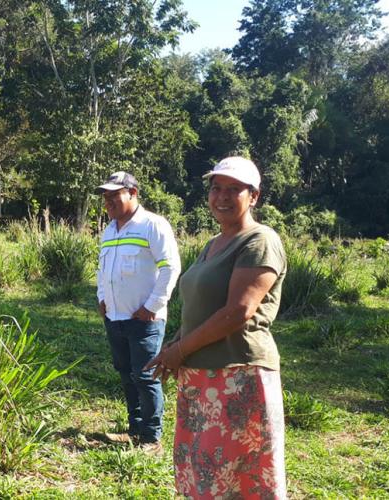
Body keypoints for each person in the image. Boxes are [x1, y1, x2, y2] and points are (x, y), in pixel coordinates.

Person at [146, 157, 288, 498]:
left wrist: (181, 350)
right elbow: (200, 307)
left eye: (234, 189)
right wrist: (174, 347)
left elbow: (238, 312)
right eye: (216, 188)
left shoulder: (259, 240)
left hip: (237, 373)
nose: (222, 196)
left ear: (253, 196)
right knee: (205, 472)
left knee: (238, 477)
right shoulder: (213, 244)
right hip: (201, 373)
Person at [95, 171, 181, 453]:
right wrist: (101, 297)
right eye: (105, 196)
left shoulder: (152, 225)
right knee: (126, 373)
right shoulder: (110, 230)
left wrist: (151, 306)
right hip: (115, 317)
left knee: (145, 377)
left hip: (144, 320)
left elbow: (170, 267)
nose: (108, 201)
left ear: (133, 193)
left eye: (114, 195)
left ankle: (151, 438)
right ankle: (134, 429)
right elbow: (102, 269)